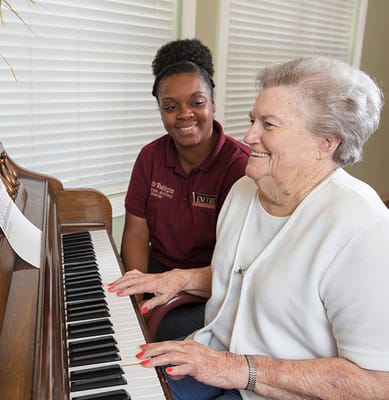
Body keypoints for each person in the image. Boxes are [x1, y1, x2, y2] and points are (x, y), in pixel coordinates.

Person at [111, 56, 389, 399]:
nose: (249, 135)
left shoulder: (365, 228)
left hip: (274, 389)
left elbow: (378, 383)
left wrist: (237, 369)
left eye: (268, 125)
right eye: (252, 120)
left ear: (325, 143)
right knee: (121, 381)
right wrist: (180, 278)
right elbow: (249, 273)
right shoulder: (245, 189)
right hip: (213, 357)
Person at [118, 38, 250, 341]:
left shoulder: (239, 167)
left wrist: (152, 306)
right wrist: (136, 293)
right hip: (158, 270)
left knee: (145, 333)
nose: (184, 114)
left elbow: (237, 266)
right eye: (170, 106)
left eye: (197, 102)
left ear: (213, 102)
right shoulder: (150, 157)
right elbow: (137, 232)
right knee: (110, 312)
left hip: (211, 287)